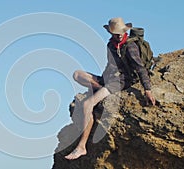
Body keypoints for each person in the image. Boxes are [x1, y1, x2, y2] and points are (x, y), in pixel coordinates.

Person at [65, 17, 156, 160]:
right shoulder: (111, 45)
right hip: (111, 78)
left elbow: (140, 68)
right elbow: (110, 65)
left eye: (121, 32)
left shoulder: (130, 46)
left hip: (123, 81)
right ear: (111, 33)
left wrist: (147, 90)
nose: (119, 34)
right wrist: (103, 79)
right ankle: (101, 89)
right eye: (116, 32)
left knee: (88, 104)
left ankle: (81, 147)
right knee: (77, 74)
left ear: (125, 31)